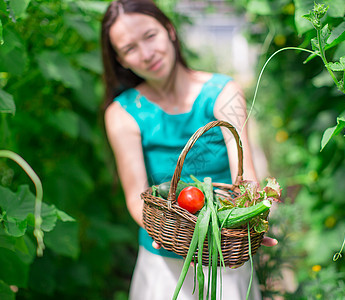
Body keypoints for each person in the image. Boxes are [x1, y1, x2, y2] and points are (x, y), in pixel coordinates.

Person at [101, 1, 277, 299]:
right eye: (130, 49)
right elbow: (136, 196)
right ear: (121, 60)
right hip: (164, 258)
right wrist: (163, 229)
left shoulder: (223, 92)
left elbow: (244, 176)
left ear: (169, 30)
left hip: (223, 249)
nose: (146, 54)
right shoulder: (122, 113)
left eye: (149, 36)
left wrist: (251, 215)